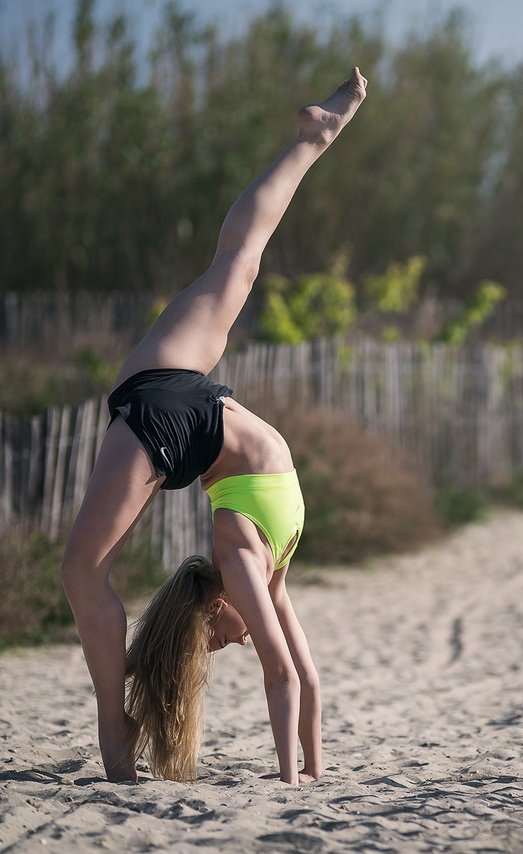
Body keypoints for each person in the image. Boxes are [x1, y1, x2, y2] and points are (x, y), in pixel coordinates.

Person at [59, 68, 368, 785]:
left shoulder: (242, 563)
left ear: (218, 604)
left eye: (215, 640)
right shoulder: (246, 563)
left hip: (171, 404)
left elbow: (290, 675)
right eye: (226, 642)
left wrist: (301, 775)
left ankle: (117, 725)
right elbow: (295, 675)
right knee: (238, 260)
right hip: (174, 398)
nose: (228, 642)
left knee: (83, 569)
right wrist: (303, 777)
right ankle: (312, 143)